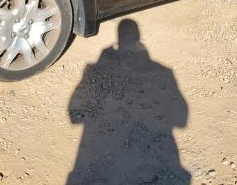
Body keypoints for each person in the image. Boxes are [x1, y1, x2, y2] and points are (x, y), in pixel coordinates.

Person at [67, 19, 191, 184]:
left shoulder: (96, 69)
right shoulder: (163, 73)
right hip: (152, 153)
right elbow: (181, 119)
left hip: (103, 153)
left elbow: (75, 115)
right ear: (137, 37)